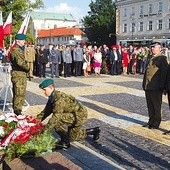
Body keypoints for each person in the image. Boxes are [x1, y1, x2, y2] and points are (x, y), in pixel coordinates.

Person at [37, 79, 100, 149]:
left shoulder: (59, 100)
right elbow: (45, 112)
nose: (43, 92)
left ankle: (65, 142)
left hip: (79, 116)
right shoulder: (52, 97)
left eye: (44, 90)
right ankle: (94, 131)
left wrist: (44, 131)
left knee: (57, 120)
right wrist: (33, 122)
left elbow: (56, 117)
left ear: (51, 88)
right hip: (71, 115)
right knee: (72, 138)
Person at [142, 42, 168, 129]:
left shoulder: (162, 58)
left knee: (157, 105)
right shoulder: (151, 57)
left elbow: (164, 73)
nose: (152, 49)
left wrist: (163, 86)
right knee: (150, 105)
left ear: (159, 48)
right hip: (148, 85)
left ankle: (156, 122)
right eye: (151, 47)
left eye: (154, 47)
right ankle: (151, 120)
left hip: (156, 86)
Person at [10, 33, 30, 115]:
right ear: (18, 41)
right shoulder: (16, 50)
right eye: (23, 40)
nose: (24, 41)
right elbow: (20, 63)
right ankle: (17, 112)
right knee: (19, 93)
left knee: (21, 93)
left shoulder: (19, 49)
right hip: (18, 74)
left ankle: (18, 110)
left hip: (20, 74)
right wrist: (28, 68)